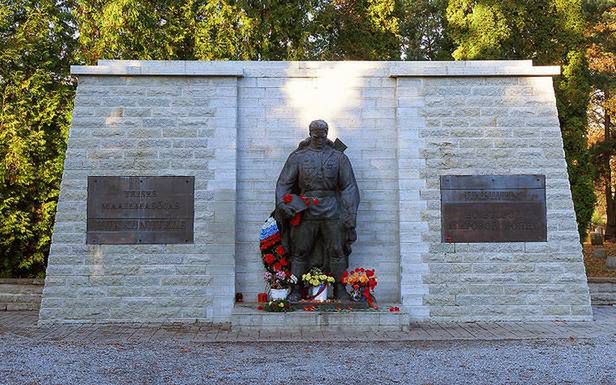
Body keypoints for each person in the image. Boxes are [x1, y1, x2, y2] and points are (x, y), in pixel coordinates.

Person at [274, 119, 360, 301]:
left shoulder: (339, 158)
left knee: (337, 250)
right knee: (300, 251)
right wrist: (283, 205)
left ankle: (340, 289)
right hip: (306, 209)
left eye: (323, 135)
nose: (320, 138)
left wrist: (350, 213)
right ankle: (296, 289)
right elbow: (284, 184)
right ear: (310, 133)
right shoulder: (298, 157)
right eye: (316, 135)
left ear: (327, 133)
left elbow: (349, 187)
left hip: (332, 209)